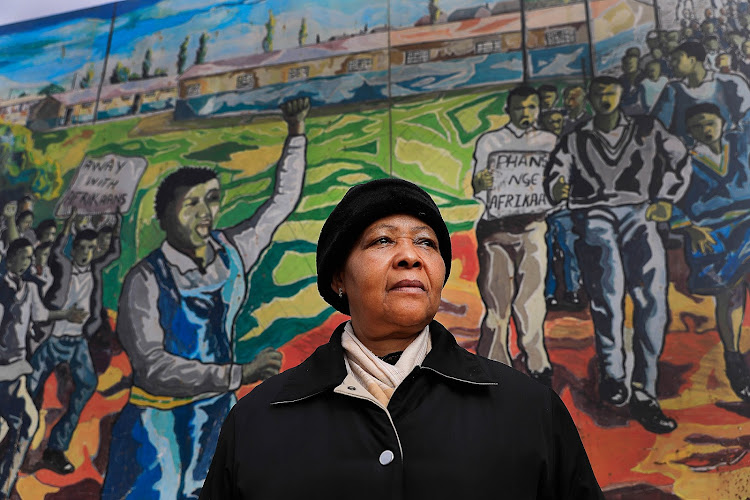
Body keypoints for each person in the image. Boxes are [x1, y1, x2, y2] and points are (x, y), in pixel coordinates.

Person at [200, 178, 605, 499]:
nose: (410, 255)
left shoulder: (528, 410)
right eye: (383, 240)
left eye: (426, 242)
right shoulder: (259, 420)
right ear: (339, 278)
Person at [101, 97, 309, 499]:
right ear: (164, 217)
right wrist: (238, 375)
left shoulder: (232, 252)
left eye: (211, 199)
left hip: (216, 416)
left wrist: (296, 133)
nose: (205, 213)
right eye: (191, 203)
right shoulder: (145, 280)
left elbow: (280, 204)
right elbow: (154, 367)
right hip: (157, 423)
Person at [545, 76, 690, 434]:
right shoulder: (576, 137)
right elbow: (555, 175)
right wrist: (556, 187)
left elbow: (680, 159)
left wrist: (666, 198)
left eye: (611, 92)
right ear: (591, 98)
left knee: (651, 300)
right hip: (593, 214)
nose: (606, 98)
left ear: (623, 94)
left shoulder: (646, 127)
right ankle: (613, 374)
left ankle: (645, 389)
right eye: (599, 93)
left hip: (640, 213)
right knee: (607, 299)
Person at [471, 86, 556, 386]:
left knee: (532, 299)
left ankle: (537, 359)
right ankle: (495, 362)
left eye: (532, 107)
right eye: (520, 108)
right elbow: (476, 184)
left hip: (534, 227)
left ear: (539, 109)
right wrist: (480, 182)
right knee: (497, 302)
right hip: (495, 230)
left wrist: (558, 193)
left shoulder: (550, 142)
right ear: (508, 109)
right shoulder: (489, 142)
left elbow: (557, 185)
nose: (526, 113)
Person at [27, 209, 121, 474]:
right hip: (54, 339)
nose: (86, 253)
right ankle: (17, 438)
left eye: (91, 248)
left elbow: (113, 253)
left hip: (77, 342)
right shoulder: (64, 265)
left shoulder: (95, 268)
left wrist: (117, 227)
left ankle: (56, 448)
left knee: (87, 385)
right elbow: (56, 251)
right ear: (74, 247)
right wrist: (68, 224)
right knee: (30, 388)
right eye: (82, 247)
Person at [670, 103, 750, 401]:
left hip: (748, 222)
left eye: (710, 123)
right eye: (698, 125)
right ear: (689, 132)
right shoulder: (684, 162)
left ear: (722, 122)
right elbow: (670, 199)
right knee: (730, 297)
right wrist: (688, 227)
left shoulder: (741, 146)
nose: (706, 129)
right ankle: (733, 358)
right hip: (712, 234)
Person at [0, 238, 84, 499]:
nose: (26, 262)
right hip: (2, 368)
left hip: (17, 367)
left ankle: (4, 485)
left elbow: (42, 314)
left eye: (29, 257)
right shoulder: (2, 288)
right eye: (22, 257)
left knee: (27, 421)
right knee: (17, 422)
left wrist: (67, 315)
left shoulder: (29, 288)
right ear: (10, 258)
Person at [651, 41, 750, 143]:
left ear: (692, 60)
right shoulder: (672, 89)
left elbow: (747, 120)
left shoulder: (731, 82)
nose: (671, 64)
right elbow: (657, 126)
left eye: (676, 59)